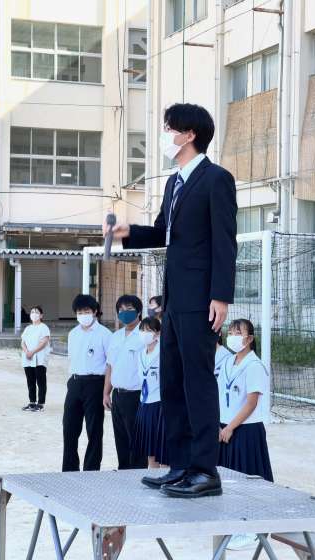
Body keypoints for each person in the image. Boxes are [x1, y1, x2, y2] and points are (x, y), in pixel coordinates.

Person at [104, 103, 237, 498]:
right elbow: (164, 232)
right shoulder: (174, 182)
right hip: (175, 299)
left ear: (189, 134)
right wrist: (128, 232)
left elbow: (225, 241)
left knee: (198, 383)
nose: (165, 134)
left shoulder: (216, 179)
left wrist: (221, 296)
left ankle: (205, 471)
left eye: (169, 128)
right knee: (172, 382)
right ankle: (179, 466)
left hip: (202, 299)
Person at [218, 319, 273, 550]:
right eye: (230, 331)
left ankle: (252, 531)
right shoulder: (227, 361)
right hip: (224, 428)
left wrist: (231, 427)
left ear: (249, 338)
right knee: (229, 480)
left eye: (237, 332)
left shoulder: (254, 365)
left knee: (248, 480)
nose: (232, 336)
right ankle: (235, 525)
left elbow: (251, 403)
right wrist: (220, 425)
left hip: (245, 429)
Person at [62, 294, 112, 472]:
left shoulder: (105, 334)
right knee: (69, 428)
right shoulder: (73, 334)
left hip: (95, 384)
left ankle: (91, 470)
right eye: (79, 312)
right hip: (75, 382)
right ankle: (69, 469)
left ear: (95, 312)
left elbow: (110, 364)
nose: (83, 315)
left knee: (94, 430)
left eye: (86, 311)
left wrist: (106, 391)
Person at [104, 295, 147, 470]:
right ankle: (123, 471)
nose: (124, 313)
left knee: (136, 440)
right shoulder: (115, 336)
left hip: (136, 395)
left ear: (139, 311)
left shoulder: (145, 336)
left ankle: (136, 473)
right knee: (120, 439)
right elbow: (110, 366)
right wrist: (106, 393)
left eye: (129, 309)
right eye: (121, 310)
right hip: (118, 395)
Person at [133, 317, 168, 470]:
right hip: (145, 403)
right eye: (142, 330)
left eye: (149, 330)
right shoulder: (141, 353)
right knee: (150, 451)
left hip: (160, 404)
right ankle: (153, 475)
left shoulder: (164, 352)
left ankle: (167, 477)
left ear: (157, 333)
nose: (144, 333)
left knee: (163, 451)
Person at [21, 306, 51, 412]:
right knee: (30, 381)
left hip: (39, 358)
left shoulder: (44, 327)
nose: (34, 314)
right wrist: (27, 352)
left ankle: (41, 403)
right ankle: (32, 402)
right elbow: (23, 342)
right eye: (32, 312)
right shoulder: (28, 328)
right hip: (28, 358)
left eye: (36, 312)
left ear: (41, 315)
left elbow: (44, 342)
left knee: (40, 381)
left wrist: (32, 352)